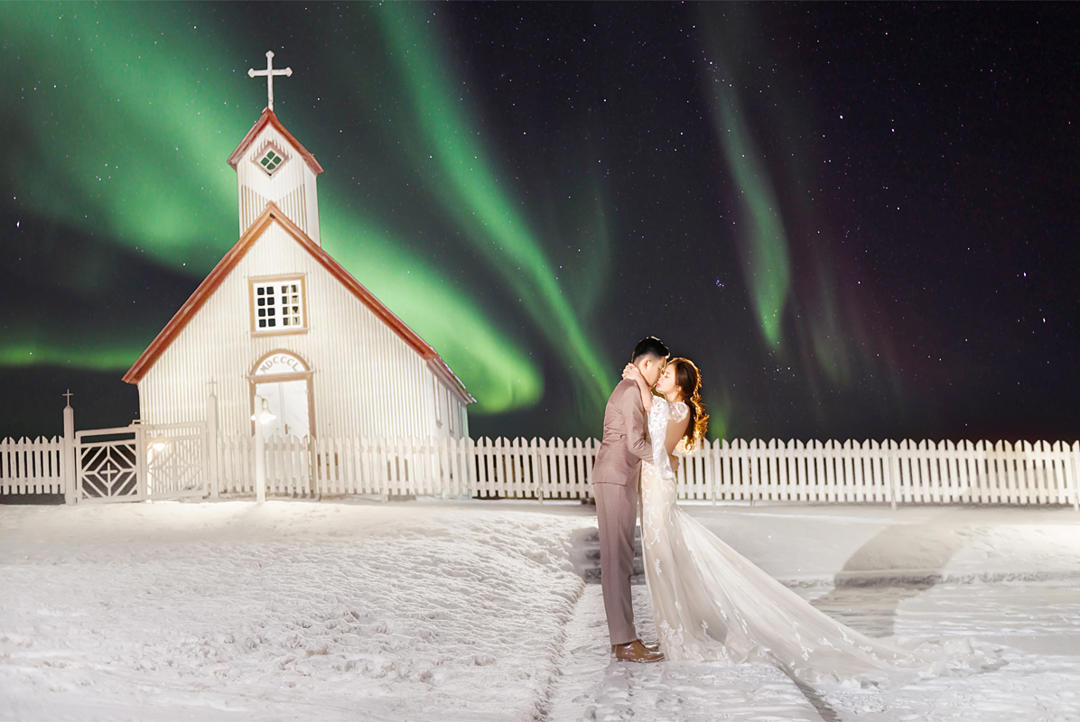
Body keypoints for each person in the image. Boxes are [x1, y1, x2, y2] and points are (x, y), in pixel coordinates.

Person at [622, 357, 993, 684]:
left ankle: (679, 635)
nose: (661, 378)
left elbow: (653, 413)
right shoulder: (668, 408)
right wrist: (643, 386)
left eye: (667, 374)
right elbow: (653, 422)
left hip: (659, 489)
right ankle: (674, 629)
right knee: (663, 559)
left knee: (663, 557)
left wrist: (639, 381)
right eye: (662, 373)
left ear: (682, 383)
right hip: (655, 486)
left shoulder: (679, 409)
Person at [591, 336, 671, 663]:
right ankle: (623, 642)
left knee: (619, 559)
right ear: (646, 364)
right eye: (660, 367)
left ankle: (626, 638)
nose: (660, 374)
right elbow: (636, 445)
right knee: (616, 560)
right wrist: (666, 458)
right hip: (616, 477)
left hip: (618, 476)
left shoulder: (632, 389)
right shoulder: (629, 394)